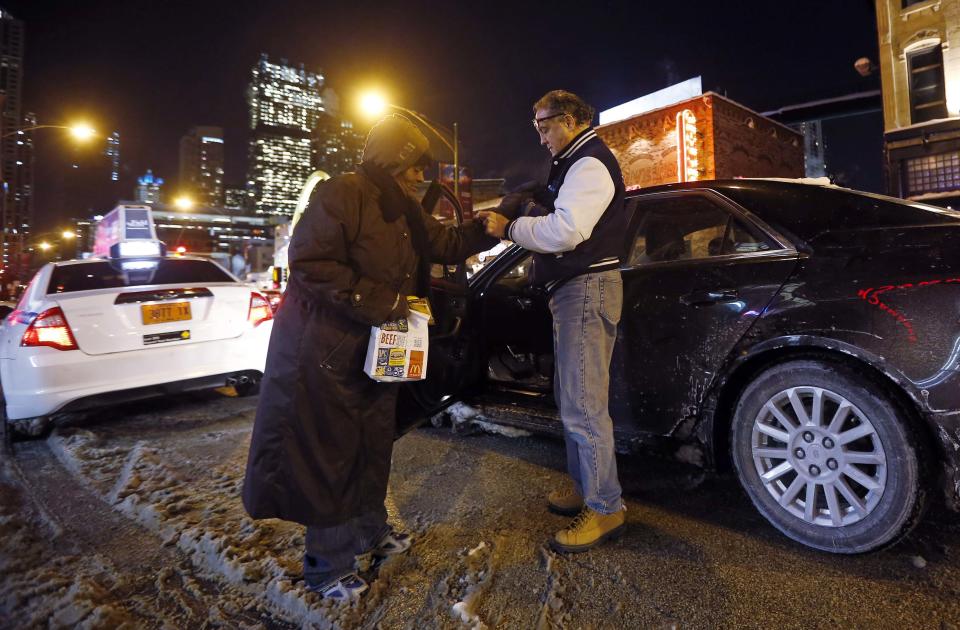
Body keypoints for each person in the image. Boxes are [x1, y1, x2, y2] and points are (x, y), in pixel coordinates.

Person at [243, 114, 497, 600]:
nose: (423, 176)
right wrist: (384, 304)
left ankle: (366, 533)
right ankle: (327, 567)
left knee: (370, 443)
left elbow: (446, 243)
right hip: (324, 350)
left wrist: (493, 223)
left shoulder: (402, 208)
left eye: (426, 168)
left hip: (373, 350)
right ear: (390, 159)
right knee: (331, 454)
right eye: (415, 166)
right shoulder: (343, 192)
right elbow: (311, 263)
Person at [480, 90, 628, 553]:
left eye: (544, 125)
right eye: (537, 127)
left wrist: (507, 229)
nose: (540, 135)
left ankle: (606, 508)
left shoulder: (589, 163)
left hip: (586, 289)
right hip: (574, 292)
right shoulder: (573, 164)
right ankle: (588, 489)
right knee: (572, 399)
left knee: (584, 405)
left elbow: (567, 231)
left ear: (570, 119)